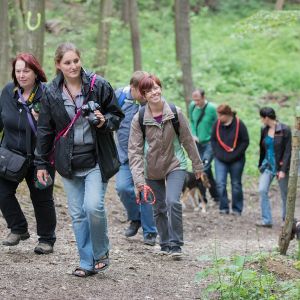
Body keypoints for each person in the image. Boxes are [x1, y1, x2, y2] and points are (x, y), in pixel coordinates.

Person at [35, 43, 124, 277]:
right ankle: (87, 262)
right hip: (68, 162)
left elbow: (117, 115)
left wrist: (104, 121)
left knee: (93, 206)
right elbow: (44, 130)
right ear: (58, 65)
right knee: (77, 214)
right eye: (67, 62)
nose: (73, 66)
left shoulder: (98, 85)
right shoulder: (51, 93)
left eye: (76, 61)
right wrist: (41, 163)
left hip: (96, 159)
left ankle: (101, 253)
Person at [128, 74, 205, 259]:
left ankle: (176, 244)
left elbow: (187, 140)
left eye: (156, 87)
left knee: (173, 201)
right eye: (148, 90)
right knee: (159, 208)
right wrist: (139, 181)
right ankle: (164, 242)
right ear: (143, 95)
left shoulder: (174, 112)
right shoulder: (138, 119)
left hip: (175, 164)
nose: (154, 92)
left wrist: (197, 165)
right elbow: (135, 152)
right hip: (151, 169)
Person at [0, 53, 56, 254]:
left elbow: (58, 127)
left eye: (26, 70)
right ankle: (18, 228)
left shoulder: (47, 94)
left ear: (36, 72)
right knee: (2, 192)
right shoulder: (8, 91)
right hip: (10, 155)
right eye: (18, 71)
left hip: (40, 158)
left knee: (41, 198)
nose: (22, 75)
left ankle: (47, 240)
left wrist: (42, 120)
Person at [115, 71, 157, 245]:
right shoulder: (118, 96)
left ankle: (150, 231)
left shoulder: (149, 102)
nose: (146, 95)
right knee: (123, 188)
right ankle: (135, 218)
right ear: (132, 88)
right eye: (143, 91)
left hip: (144, 157)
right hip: (124, 156)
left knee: (145, 191)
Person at [211, 104, 249, 216]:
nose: (219, 118)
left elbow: (245, 141)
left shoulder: (239, 124)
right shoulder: (217, 125)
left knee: (236, 184)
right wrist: (218, 154)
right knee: (220, 183)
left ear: (227, 115)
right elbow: (213, 140)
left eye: (220, 116)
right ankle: (223, 207)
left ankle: (237, 208)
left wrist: (235, 154)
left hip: (236, 159)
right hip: (220, 159)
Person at [256, 107, 291, 228]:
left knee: (284, 194)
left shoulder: (285, 129)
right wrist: (260, 164)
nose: (261, 120)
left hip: (280, 167)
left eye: (261, 118)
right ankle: (267, 220)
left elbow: (288, 151)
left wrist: (283, 170)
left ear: (266, 118)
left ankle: (286, 220)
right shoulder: (264, 130)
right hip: (267, 166)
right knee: (262, 189)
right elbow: (262, 149)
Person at [189, 88, 218, 204]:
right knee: (206, 170)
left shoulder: (212, 108)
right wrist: (193, 134)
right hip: (197, 143)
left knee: (202, 169)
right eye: (194, 100)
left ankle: (203, 200)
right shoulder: (192, 106)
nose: (196, 103)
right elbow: (191, 121)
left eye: (198, 100)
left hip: (209, 143)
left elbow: (218, 124)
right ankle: (217, 196)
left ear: (204, 97)